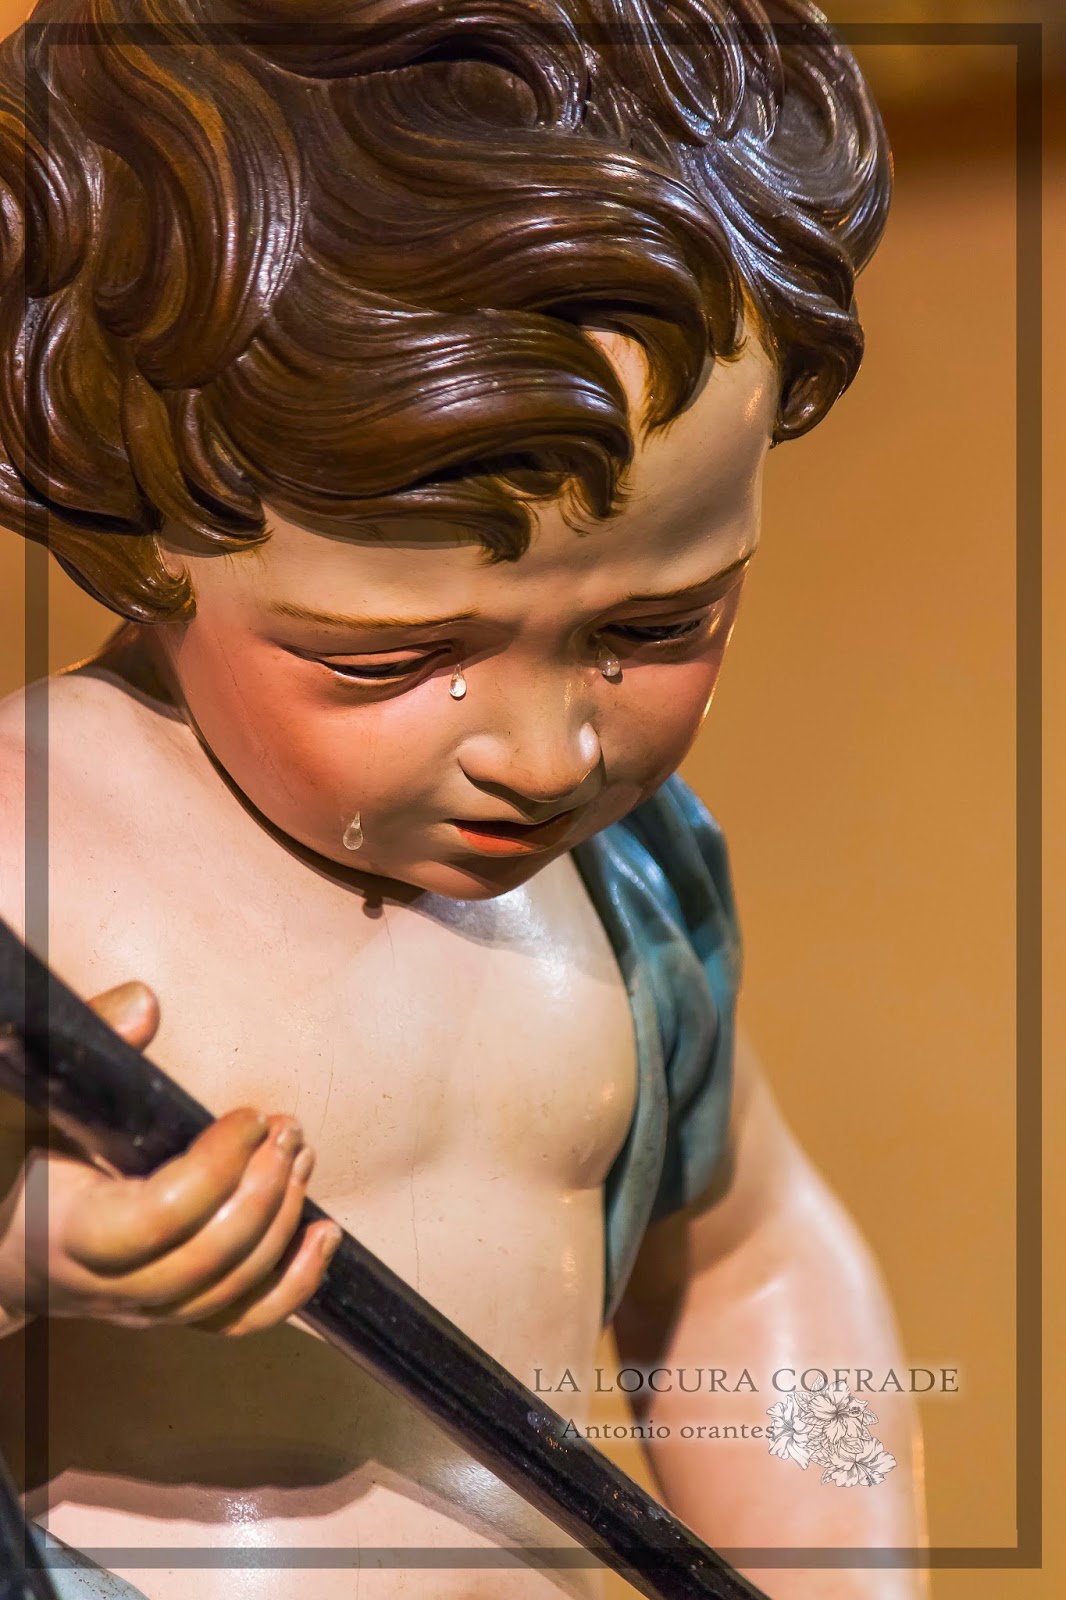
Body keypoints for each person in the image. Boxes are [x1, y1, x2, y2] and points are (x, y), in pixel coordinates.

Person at [0, 1, 929, 1596]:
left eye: (658, 626)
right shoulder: (36, 847)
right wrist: (35, 1255)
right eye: (392, 657)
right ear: (146, 534)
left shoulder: (631, 889)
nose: (547, 754)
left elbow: (743, 1261)